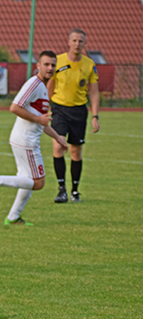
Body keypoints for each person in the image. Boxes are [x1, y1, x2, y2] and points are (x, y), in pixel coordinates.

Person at [0, 51, 69, 224]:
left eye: (53, 65)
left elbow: (42, 121)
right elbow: (14, 107)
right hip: (26, 141)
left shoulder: (42, 86)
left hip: (24, 139)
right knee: (38, 183)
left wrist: (58, 137)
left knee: (26, 180)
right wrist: (38, 119)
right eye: (46, 64)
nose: (50, 68)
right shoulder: (34, 84)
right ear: (38, 66)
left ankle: (13, 217)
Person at [47, 28, 100, 203]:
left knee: (76, 152)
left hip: (78, 111)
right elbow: (50, 86)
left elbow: (93, 92)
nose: (77, 44)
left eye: (81, 41)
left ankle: (75, 191)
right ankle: (61, 190)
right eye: (75, 40)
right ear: (69, 42)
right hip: (59, 109)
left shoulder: (89, 64)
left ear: (85, 44)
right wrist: (45, 108)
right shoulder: (58, 61)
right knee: (58, 146)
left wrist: (95, 116)